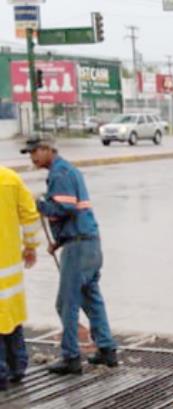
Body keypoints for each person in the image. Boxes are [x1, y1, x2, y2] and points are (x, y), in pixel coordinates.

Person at [20, 138, 118, 375]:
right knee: (91, 299)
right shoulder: (69, 170)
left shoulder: (60, 173)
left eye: (34, 152)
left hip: (78, 248)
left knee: (66, 303)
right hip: (90, 243)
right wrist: (59, 242)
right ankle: (106, 350)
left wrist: (39, 204)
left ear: (48, 150)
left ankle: (70, 357)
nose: (32, 158)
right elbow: (75, 211)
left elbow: (66, 207)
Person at [0, 166, 40, 389]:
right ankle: (18, 366)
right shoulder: (10, 178)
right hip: (9, 266)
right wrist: (31, 246)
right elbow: (30, 214)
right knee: (11, 317)